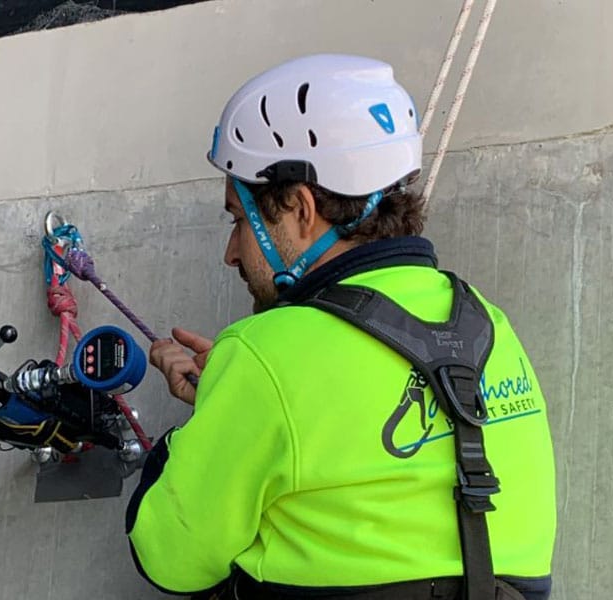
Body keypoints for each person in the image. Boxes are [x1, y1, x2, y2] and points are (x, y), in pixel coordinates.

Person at [125, 54, 556, 600]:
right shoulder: (489, 326)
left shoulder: (263, 355)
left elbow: (169, 559)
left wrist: (206, 422)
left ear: (302, 209)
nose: (231, 253)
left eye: (240, 220)